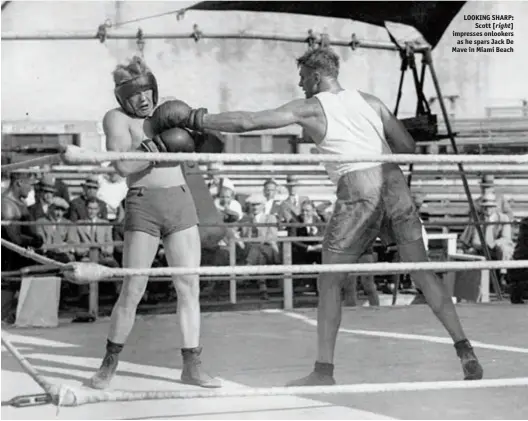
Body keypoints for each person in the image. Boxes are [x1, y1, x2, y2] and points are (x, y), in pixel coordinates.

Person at [150, 47, 484, 384]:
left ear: (316, 75)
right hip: (394, 183)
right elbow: (409, 148)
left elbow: (249, 121)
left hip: (358, 188)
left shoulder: (311, 107)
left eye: (302, 76)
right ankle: (464, 348)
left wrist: (195, 118)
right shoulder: (371, 101)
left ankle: (324, 371)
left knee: (329, 281)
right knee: (423, 273)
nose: (300, 83)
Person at [88, 56, 221, 390]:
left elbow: (210, 146)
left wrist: (200, 131)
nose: (143, 98)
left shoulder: (167, 114)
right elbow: (122, 166)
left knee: (188, 287)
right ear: (122, 97)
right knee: (133, 288)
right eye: (135, 94)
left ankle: (193, 365)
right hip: (143, 204)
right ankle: (109, 363)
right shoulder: (116, 118)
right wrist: (159, 146)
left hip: (180, 201)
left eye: (148, 90)